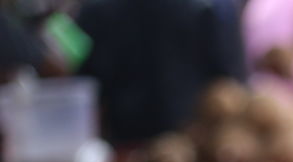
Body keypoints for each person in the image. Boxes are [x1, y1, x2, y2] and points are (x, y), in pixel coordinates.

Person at [76, 0, 247, 142]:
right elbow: (232, 79)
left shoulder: (94, 9)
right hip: (167, 146)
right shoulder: (213, 6)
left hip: (191, 150)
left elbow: (73, 71)